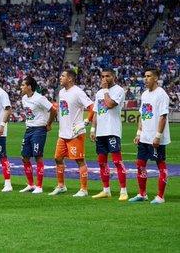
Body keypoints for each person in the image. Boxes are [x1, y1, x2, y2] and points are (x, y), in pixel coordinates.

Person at [129, 69, 171, 204]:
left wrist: (158, 136)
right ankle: (142, 194)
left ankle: (160, 196)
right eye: (145, 76)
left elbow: (163, 117)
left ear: (156, 78)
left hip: (156, 138)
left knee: (161, 165)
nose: (145, 79)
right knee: (140, 164)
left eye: (149, 76)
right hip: (144, 137)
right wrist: (138, 133)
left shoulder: (161, 94)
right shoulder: (145, 94)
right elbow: (142, 115)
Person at [49, 69, 93, 197]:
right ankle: (61, 186)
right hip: (63, 133)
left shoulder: (78, 92)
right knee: (57, 158)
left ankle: (84, 189)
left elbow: (92, 107)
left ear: (70, 79)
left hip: (75, 133)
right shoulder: (62, 92)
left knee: (79, 160)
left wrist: (85, 121)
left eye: (63, 76)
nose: (60, 78)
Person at [90, 69, 128, 200]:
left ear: (114, 77)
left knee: (117, 161)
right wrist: (93, 129)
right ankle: (106, 190)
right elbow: (96, 112)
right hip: (101, 132)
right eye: (102, 76)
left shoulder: (119, 90)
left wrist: (106, 90)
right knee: (101, 162)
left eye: (107, 76)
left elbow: (110, 104)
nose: (104, 78)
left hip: (112, 130)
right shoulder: (99, 92)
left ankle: (123, 191)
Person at [19, 76, 56, 194]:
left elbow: (53, 110)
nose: (21, 87)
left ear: (29, 87)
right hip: (28, 129)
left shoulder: (40, 98)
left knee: (38, 156)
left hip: (39, 129)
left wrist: (49, 123)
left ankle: (39, 186)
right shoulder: (24, 98)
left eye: (23, 85)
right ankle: (31, 184)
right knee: (24, 157)